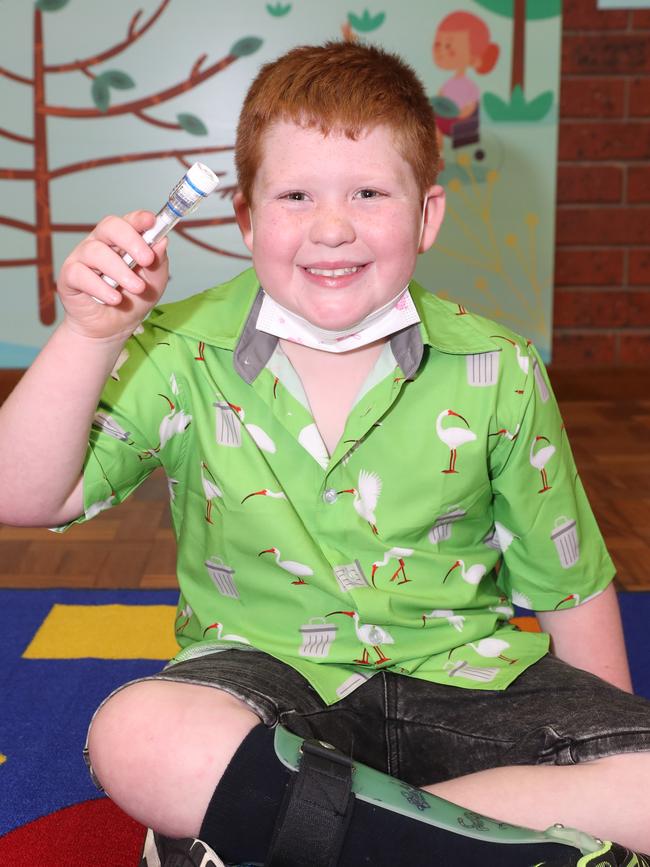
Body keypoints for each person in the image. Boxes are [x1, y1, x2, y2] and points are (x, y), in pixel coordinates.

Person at [0, 40, 649, 867]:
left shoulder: (499, 365)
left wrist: (606, 737)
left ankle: (287, 833)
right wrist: (89, 333)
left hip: (467, 683)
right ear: (245, 218)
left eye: (370, 193)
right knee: (138, 733)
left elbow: (570, 578)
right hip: (273, 694)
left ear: (426, 216)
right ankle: (448, 843)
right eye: (296, 194)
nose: (332, 227)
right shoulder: (175, 348)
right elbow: (21, 494)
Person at [432, 11, 499, 149]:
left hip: (460, 121)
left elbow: (471, 106)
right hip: (445, 118)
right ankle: (437, 155)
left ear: (474, 58)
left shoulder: (469, 86)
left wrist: (460, 113)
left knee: (432, 126)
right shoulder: (448, 83)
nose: (440, 51)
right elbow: (439, 98)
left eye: (448, 46)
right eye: (438, 44)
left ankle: (438, 153)